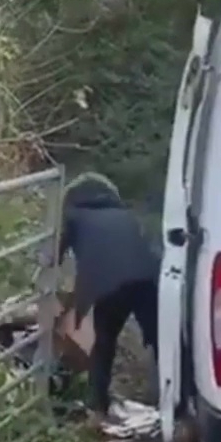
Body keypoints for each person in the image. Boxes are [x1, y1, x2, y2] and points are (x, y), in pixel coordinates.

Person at [58, 173, 160, 423]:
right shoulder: (127, 216)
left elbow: (52, 258)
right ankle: (178, 405)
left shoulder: (73, 217)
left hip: (108, 283)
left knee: (103, 344)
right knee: (161, 341)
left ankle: (97, 408)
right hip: (147, 279)